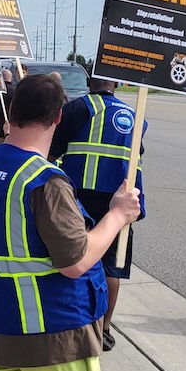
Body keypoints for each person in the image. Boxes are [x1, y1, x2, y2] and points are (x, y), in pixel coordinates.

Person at [0, 75, 141, 371]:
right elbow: (75, 262)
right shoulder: (46, 180)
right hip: (56, 334)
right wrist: (117, 215)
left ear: (11, 111)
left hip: (4, 330)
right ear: (58, 117)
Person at [50, 78, 147, 350]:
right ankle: (104, 328)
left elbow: (51, 151)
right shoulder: (134, 117)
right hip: (119, 199)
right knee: (112, 267)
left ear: (89, 81)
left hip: (77, 198)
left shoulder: (78, 109)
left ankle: (77, 322)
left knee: (74, 259)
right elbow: (136, 159)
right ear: (116, 83)